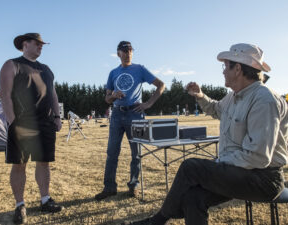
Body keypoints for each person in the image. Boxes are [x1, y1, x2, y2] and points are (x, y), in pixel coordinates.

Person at [126, 43, 288, 225]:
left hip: (263, 179)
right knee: (193, 197)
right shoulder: (234, 96)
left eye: (225, 66)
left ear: (238, 69)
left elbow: (258, 157)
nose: (223, 71)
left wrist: (218, 163)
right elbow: (216, 109)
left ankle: (157, 221)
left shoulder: (264, 100)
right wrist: (200, 95)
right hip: (241, 171)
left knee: (190, 167)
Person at [0, 33, 63, 224]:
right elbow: (4, 94)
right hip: (21, 123)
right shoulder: (12, 64)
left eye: (42, 44)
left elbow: (53, 93)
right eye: (37, 44)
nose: (41, 47)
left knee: (43, 163)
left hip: (46, 123)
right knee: (19, 165)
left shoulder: (46, 69)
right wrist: (12, 122)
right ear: (25, 44)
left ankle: (45, 200)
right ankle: (20, 205)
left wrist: (58, 116)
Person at [95, 41, 165, 200]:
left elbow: (161, 85)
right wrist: (114, 95)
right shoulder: (113, 73)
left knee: (136, 153)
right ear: (118, 53)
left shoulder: (140, 69)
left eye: (130, 50)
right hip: (117, 115)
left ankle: (133, 186)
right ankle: (109, 188)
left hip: (135, 114)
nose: (128, 53)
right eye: (125, 50)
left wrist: (148, 104)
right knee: (112, 152)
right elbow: (107, 98)